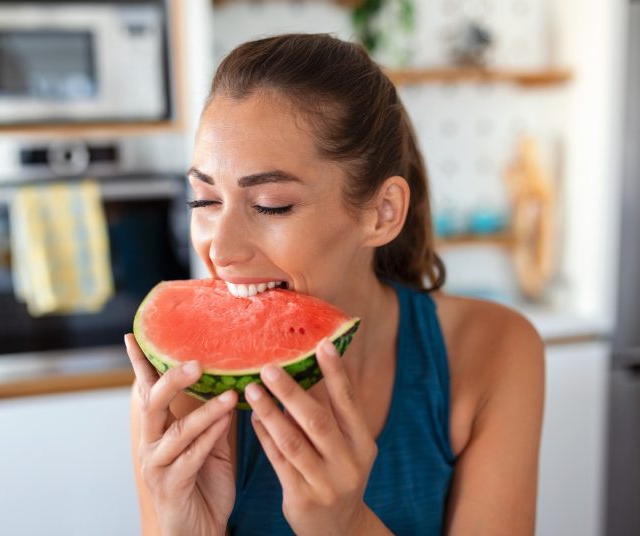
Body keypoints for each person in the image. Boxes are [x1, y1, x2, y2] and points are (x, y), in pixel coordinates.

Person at [124, 33, 544, 536]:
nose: (220, 250)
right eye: (204, 201)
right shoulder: (180, 391)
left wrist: (347, 526)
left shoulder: (492, 351)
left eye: (272, 204)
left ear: (382, 213)